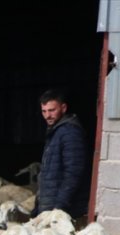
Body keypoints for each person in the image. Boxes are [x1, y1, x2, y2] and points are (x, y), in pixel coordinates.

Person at [34, 89, 90, 222]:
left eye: (52, 110)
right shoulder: (56, 131)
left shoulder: (70, 133)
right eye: (44, 111)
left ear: (63, 108)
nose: (47, 116)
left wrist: (59, 207)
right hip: (51, 206)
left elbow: (73, 172)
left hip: (62, 211)